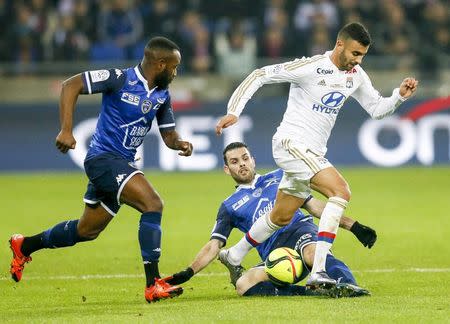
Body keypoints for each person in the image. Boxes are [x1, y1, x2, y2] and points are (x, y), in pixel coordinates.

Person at [215, 22, 418, 290]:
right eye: (355, 54)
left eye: (362, 56)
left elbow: (376, 108)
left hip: (312, 152)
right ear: (339, 45)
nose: (358, 61)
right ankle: (319, 271)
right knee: (341, 191)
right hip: (291, 144)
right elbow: (259, 74)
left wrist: (398, 97)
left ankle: (233, 254)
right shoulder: (310, 67)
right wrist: (234, 110)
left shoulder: (355, 75)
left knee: (281, 216)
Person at [9, 36, 193, 303]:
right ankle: (153, 283)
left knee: (86, 231)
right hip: (103, 160)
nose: (176, 73)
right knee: (153, 204)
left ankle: (25, 245)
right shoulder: (119, 78)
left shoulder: (162, 95)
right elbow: (70, 85)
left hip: (121, 165)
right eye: (174, 67)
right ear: (161, 64)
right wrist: (66, 129)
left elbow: (168, 136)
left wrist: (180, 144)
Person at [163, 142, 375, 297]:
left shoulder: (280, 177)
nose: (242, 164)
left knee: (312, 253)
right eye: (235, 162)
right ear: (227, 170)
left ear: (253, 160)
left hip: (300, 233)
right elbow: (214, 245)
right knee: (244, 284)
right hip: (276, 256)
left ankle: (348, 286)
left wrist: (353, 226)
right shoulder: (228, 206)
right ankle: (310, 293)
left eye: (245, 158)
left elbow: (314, 206)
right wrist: (188, 272)